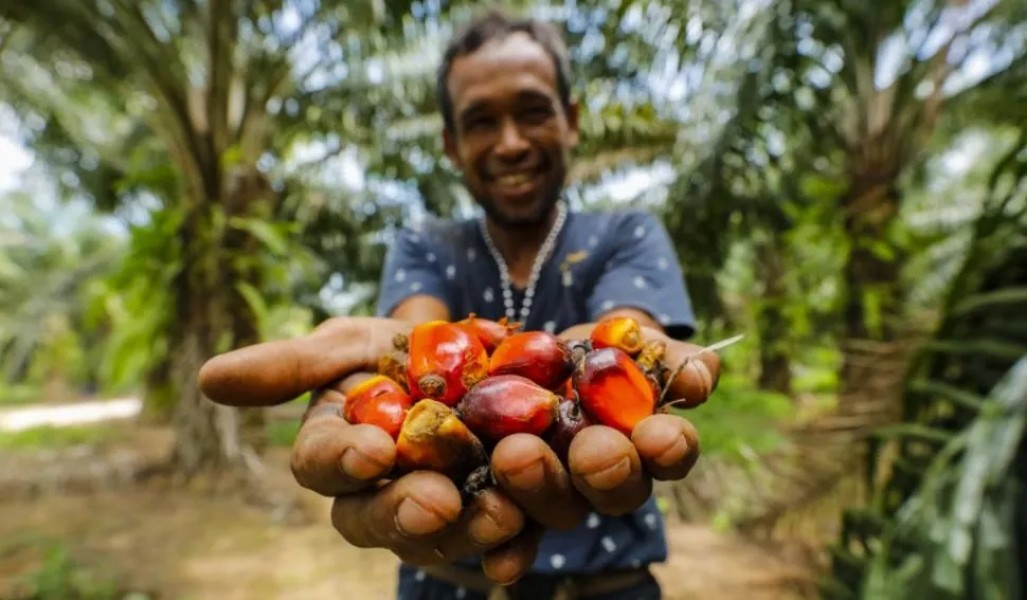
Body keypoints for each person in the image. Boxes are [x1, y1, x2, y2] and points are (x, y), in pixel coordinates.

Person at [198, 9, 720, 600]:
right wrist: (396, 373)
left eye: (532, 112)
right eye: (480, 122)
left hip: (610, 585)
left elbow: (629, 332)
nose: (511, 143)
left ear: (571, 121)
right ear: (451, 144)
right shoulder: (426, 244)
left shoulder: (626, 234)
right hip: (443, 584)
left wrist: (629, 352)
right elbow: (415, 336)